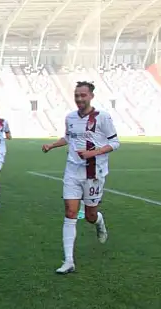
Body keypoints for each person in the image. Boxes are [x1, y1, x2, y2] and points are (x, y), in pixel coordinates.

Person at [41, 81, 119, 274]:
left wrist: (94, 152)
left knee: (90, 216)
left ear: (91, 96)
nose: (79, 99)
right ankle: (69, 261)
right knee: (70, 212)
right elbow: (68, 138)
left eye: (83, 95)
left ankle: (99, 222)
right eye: (77, 95)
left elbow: (115, 142)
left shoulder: (102, 117)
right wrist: (51, 145)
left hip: (93, 173)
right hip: (72, 171)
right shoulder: (70, 117)